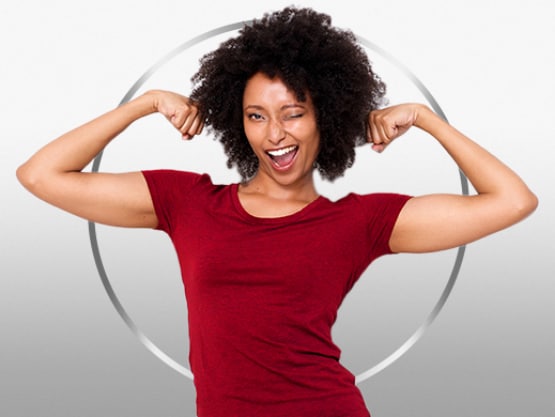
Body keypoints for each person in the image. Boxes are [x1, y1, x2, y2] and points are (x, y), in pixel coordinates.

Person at [16, 6, 537, 417]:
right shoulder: (189, 203)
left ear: (324, 118)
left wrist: (426, 120)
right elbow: (40, 175)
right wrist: (143, 104)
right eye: (256, 115)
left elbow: (514, 201)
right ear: (236, 123)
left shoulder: (359, 223)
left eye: (293, 114)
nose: (275, 134)